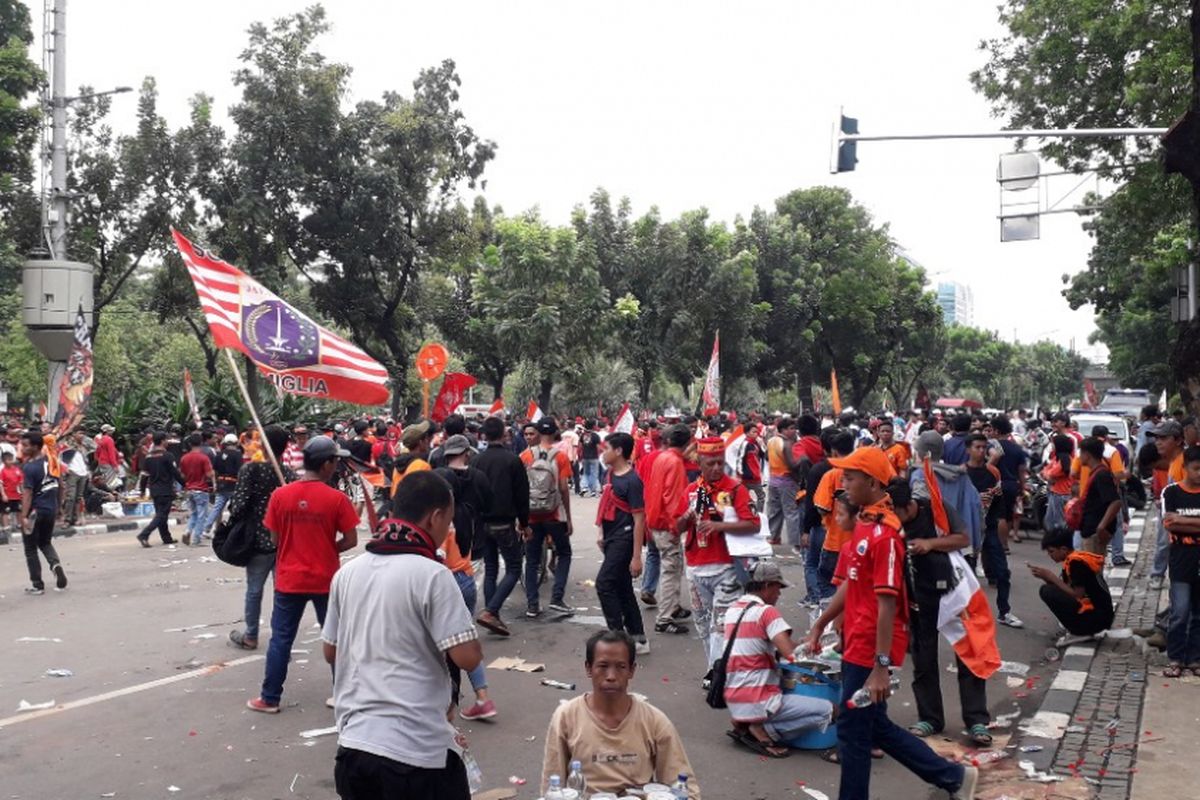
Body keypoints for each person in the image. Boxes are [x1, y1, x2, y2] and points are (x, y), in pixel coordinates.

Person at [806, 447, 977, 800]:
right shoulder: (864, 528)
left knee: (853, 730)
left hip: (870, 648)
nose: (844, 483)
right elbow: (852, 584)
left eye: (850, 478)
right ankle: (954, 777)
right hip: (856, 640)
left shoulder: (884, 536)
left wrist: (881, 666)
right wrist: (822, 622)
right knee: (874, 726)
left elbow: (887, 603)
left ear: (871, 482)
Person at [323, 470, 483, 800]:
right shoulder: (433, 575)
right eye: (448, 522)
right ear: (435, 516)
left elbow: (331, 652)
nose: (447, 531)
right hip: (415, 753)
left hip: (354, 747)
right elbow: (467, 657)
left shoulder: (348, 572)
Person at [247, 435, 360, 713]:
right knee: (336, 637)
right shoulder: (337, 499)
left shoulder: (280, 496)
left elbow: (274, 539)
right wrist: (327, 546)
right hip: (325, 579)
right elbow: (351, 540)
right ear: (325, 465)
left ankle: (269, 698)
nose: (336, 465)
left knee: (281, 639)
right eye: (334, 460)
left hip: (289, 579)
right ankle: (343, 694)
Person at [887, 479, 994, 745]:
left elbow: (963, 538)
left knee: (969, 654)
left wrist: (930, 544)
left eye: (896, 513)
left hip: (952, 593)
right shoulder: (889, 519)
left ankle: (977, 720)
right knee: (923, 659)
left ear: (908, 505)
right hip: (916, 595)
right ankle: (930, 718)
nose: (893, 518)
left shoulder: (935, 508)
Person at [541, 630, 699, 799]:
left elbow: (684, 787)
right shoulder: (566, 717)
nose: (611, 676)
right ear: (589, 668)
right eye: (603, 666)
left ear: (632, 670)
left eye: (620, 667)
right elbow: (552, 785)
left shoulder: (654, 721)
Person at [724, 562, 834, 758]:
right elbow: (792, 655)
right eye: (777, 588)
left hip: (734, 695)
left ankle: (747, 721)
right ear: (766, 586)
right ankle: (761, 730)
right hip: (759, 697)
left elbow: (758, 646)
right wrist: (812, 643)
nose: (779, 594)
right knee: (831, 711)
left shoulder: (733, 610)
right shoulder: (767, 612)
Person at [677, 437, 761, 680]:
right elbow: (678, 527)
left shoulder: (735, 489)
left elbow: (753, 524)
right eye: (710, 463)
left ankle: (717, 674)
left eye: (719, 463)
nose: (716, 468)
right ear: (700, 462)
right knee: (703, 624)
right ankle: (713, 668)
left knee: (721, 625)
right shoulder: (693, 491)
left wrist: (719, 526)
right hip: (695, 567)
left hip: (726, 568)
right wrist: (687, 517)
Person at [228, 426, 295, 650]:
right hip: (284, 542)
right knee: (282, 593)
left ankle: (251, 636)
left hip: (257, 541)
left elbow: (237, 506)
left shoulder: (250, 471)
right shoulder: (288, 475)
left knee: (254, 590)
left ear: (263, 444)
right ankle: (280, 638)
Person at [474, 415, 530, 637]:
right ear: (504, 434)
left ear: (484, 435)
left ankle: (491, 613)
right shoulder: (512, 460)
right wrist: (525, 524)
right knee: (514, 568)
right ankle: (491, 611)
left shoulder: (477, 461)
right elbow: (522, 496)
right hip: (504, 522)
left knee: (490, 569)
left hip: (482, 522)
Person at [594, 432, 648, 652]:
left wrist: (636, 557)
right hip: (610, 537)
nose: (603, 452)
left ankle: (616, 637)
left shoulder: (633, 481)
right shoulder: (610, 475)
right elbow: (606, 505)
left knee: (604, 584)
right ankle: (638, 638)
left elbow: (639, 520)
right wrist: (600, 532)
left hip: (624, 540)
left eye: (607, 448)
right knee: (623, 586)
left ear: (618, 451)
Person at [963, 433, 1023, 627]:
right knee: (967, 574)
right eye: (977, 447)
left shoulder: (993, 473)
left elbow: (998, 503)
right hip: (966, 531)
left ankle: (1004, 611)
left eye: (983, 447)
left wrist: (999, 527)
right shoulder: (960, 473)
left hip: (988, 528)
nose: (981, 451)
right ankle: (966, 613)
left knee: (1003, 572)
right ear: (968, 450)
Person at [521, 417, 574, 617]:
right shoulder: (560, 457)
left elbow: (520, 489)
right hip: (554, 515)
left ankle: (532, 604)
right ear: (554, 432)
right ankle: (557, 598)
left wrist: (522, 519)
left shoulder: (525, 456)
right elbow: (563, 488)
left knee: (532, 560)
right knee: (564, 554)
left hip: (532, 516)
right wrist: (568, 517)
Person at [644, 424, 693, 633]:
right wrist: (677, 525)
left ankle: (672, 607)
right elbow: (672, 498)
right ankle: (664, 618)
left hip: (656, 520)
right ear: (688, 442)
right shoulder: (674, 462)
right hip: (666, 523)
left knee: (672, 567)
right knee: (671, 569)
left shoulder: (662, 457)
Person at [1030, 527, 1113, 646]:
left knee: (1046, 591)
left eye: (1051, 551)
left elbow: (1077, 594)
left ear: (1063, 549)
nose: (1049, 555)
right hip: (1099, 616)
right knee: (1049, 590)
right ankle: (1079, 628)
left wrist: (1051, 576)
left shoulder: (1077, 563)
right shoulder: (1071, 560)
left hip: (1098, 618)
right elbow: (1065, 589)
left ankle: (1080, 631)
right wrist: (1045, 577)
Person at [1160, 445, 1200, 677]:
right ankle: (1175, 657)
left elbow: (1177, 521)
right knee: (1180, 610)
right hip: (1181, 558)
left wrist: (1183, 520)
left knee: (1198, 613)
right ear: (1184, 468)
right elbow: (1170, 523)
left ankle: (1194, 659)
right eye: (1196, 469)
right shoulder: (1171, 492)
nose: (1199, 474)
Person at [19, 431, 67, 594]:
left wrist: (24, 516)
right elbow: (61, 487)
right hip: (50, 509)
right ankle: (56, 565)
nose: (22, 448)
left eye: (25, 446)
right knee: (45, 542)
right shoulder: (53, 462)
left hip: (34, 512)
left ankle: (37, 585)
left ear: (35, 447)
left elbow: (28, 493)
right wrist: (59, 507)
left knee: (30, 548)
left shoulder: (30, 467)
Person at [136, 431, 185, 547]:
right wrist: (185, 484)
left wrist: (142, 490)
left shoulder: (148, 457)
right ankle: (144, 534)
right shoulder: (168, 456)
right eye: (166, 440)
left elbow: (144, 476)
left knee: (161, 514)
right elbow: (175, 473)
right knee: (162, 515)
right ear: (163, 441)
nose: (168, 442)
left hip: (154, 490)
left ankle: (166, 538)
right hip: (166, 490)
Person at [1076, 436, 1123, 556]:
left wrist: (1101, 527)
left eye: (1081, 452)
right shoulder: (1096, 472)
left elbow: (1116, 502)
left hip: (1094, 531)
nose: (1079, 456)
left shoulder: (1101, 475)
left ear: (1087, 454)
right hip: (1090, 528)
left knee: (1092, 570)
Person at [765, 417, 804, 549]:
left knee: (775, 511)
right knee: (791, 512)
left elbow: (765, 456)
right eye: (792, 428)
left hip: (773, 480)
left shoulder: (771, 441)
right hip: (787, 481)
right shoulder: (787, 444)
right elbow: (792, 465)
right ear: (783, 430)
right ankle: (795, 542)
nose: (794, 431)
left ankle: (773, 537)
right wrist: (803, 459)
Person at [179, 433, 216, 546]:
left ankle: (188, 531)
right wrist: (213, 479)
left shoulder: (184, 458)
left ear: (190, 444)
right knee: (201, 515)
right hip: (201, 489)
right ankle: (196, 539)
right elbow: (209, 474)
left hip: (189, 489)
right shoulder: (203, 458)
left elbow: (182, 475)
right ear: (201, 443)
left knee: (194, 514)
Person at [206, 433, 242, 533]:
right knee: (234, 509)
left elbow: (214, 470)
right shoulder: (237, 454)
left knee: (217, 509)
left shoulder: (219, 454)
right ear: (235, 442)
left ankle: (207, 528)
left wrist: (215, 483)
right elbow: (240, 471)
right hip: (233, 485)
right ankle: (233, 529)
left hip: (221, 484)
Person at [1041, 434, 1075, 533]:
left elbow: (1051, 474)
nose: (1052, 446)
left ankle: (1063, 541)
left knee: (1059, 521)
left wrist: (1047, 475)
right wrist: (1047, 474)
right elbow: (1046, 471)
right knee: (1050, 520)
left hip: (1061, 495)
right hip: (1055, 493)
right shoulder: (1057, 458)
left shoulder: (1065, 460)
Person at [579, 420, 602, 497]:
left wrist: (580, 456)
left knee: (586, 473)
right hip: (594, 457)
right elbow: (598, 447)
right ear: (593, 426)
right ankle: (593, 490)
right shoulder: (595, 436)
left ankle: (584, 487)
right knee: (594, 474)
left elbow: (580, 446)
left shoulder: (583, 435)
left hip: (585, 457)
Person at [1, 450, 22, 532]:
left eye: (11, 459)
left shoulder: (17, 470)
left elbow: (21, 482)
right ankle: (6, 527)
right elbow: (1, 484)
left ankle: (19, 525)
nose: (10, 461)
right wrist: (3, 495)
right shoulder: (3, 471)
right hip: (7, 495)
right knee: (5, 511)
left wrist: (22, 493)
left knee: (19, 510)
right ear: (4, 461)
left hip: (17, 495)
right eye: (8, 459)